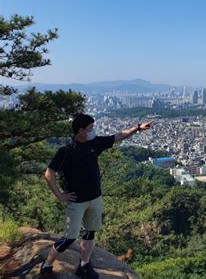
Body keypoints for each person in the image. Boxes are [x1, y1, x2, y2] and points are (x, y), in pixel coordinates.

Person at [40, 113, 152, 278]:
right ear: (80, 131)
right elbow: (49, 174)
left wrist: (137, 128)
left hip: (95, 198)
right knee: (69, 238)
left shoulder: (95, 143)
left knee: (90, 232)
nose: (93, 131)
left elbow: (118, 136)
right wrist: (60, 195)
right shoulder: (66, 151)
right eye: (90, 128)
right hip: (76, 201)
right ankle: (47, 265)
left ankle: (84, 265)